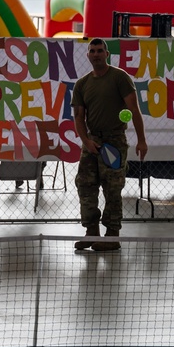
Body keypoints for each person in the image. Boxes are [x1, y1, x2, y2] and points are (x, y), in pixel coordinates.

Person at [71, 37, 148, 251]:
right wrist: (86, 141)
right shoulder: (82, 84)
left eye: (99, 50)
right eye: (92, 51)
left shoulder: (119, 77)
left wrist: (141, 140)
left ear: (106, 53)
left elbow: (134, 109)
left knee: (112, 188)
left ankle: (112, 235)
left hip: (114, 141)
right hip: (92, 141)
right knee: (85, 185)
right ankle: (91, 232)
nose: (96, 54)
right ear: (88, 55)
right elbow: (78, 116)